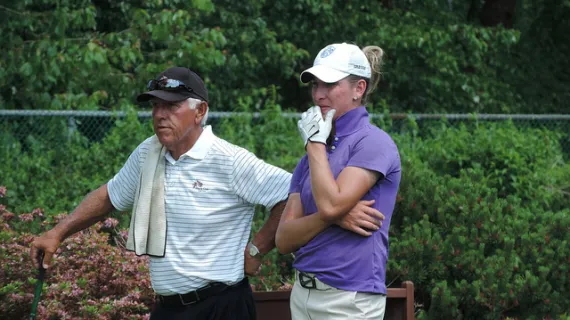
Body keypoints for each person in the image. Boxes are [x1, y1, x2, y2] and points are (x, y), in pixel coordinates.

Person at [30, 66, 293, 320]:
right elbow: (109, 196)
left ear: (200, 111)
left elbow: (291, 194)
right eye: (156, 105)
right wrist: (56, 233)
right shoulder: (149, 152)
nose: (159, 114)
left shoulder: (229, 160)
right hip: (168, 307)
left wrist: (257, 249)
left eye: (171, 106)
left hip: (223, 306)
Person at [275, 42, 402, 320]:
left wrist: (315, 145)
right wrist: (332, 217)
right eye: (315, 85)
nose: (319, 95)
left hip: (349, 300)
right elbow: (284, 239)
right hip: (302, 294)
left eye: (330, 84)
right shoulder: (312, 154)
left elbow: (331, 204)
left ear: (359, 89)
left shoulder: (373, 142)